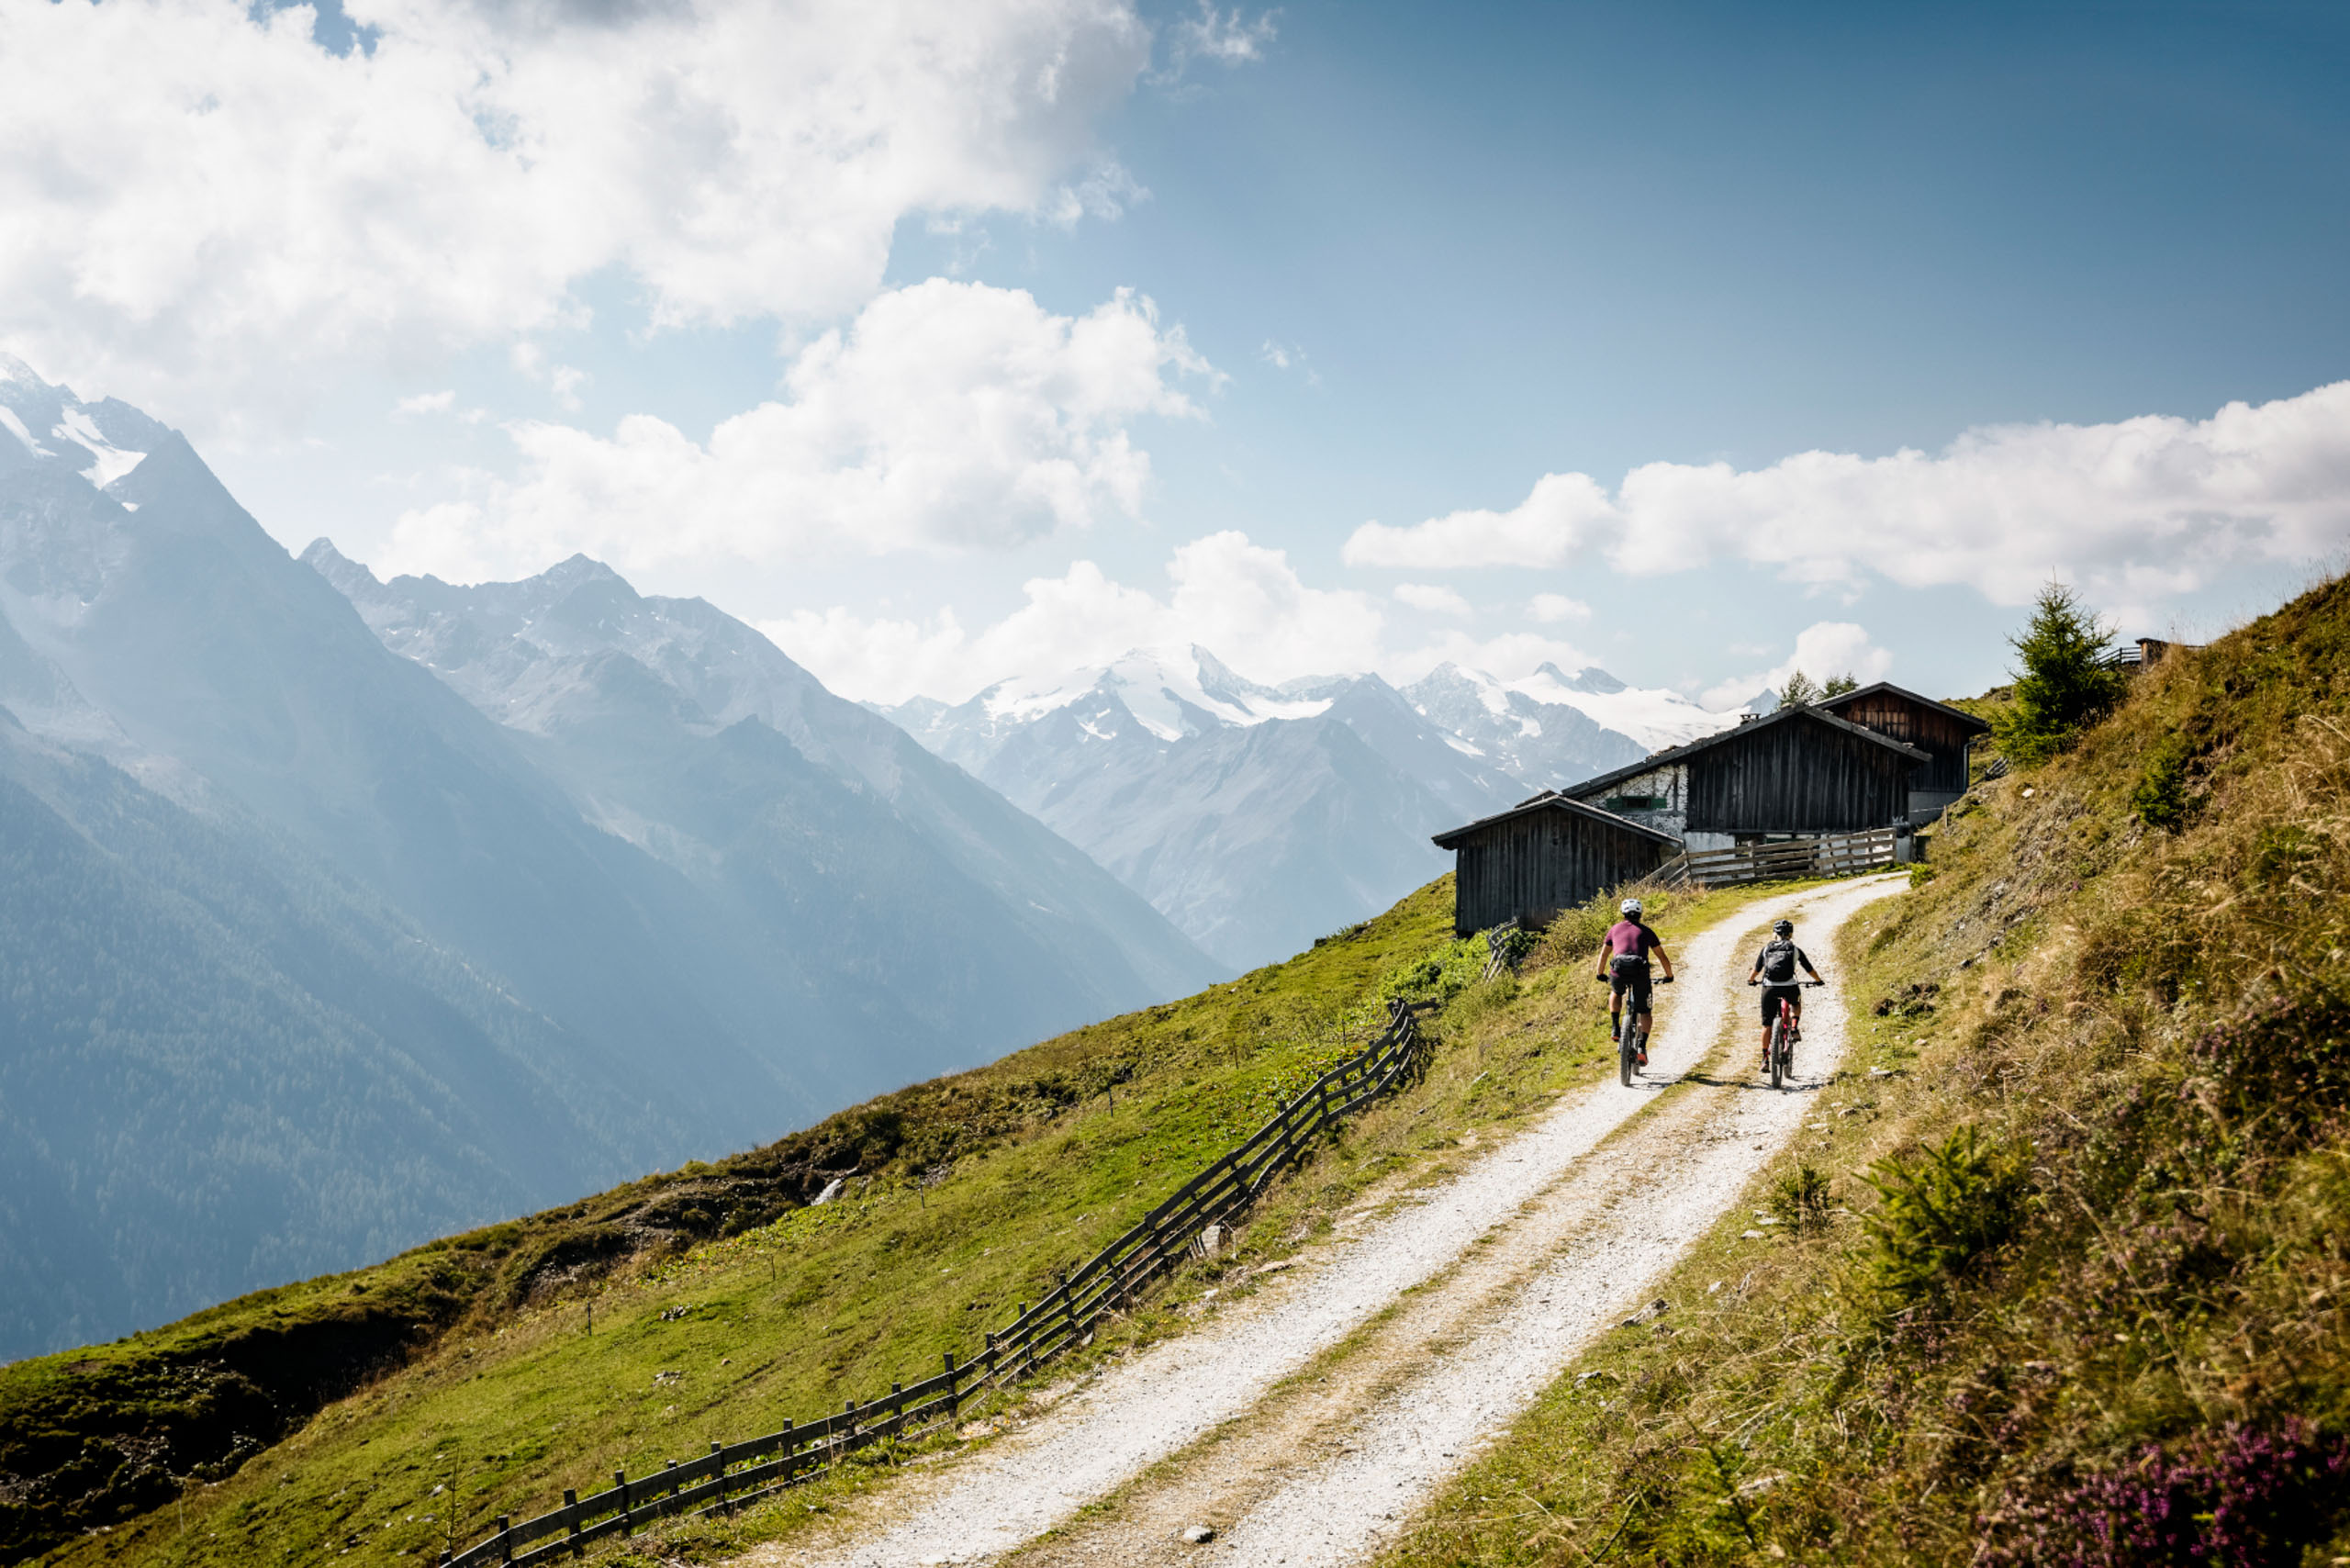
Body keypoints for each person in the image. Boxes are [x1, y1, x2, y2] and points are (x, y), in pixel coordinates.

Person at [1595, 897, 1674, 1066]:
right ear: (1640, 914)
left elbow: (1604, 954)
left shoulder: (1614, 929)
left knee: (1616, 992)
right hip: (1640, 973)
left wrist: (1600, 973)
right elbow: (1661, 956)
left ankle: (1615, 1026)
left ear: (1623, 913)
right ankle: (1641, 1046)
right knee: (1645, 1012)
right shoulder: (1647, 931)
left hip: (1619, 970)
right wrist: (1669, 976)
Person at [1747, 918, 1823, 1068]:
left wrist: (1751, 980)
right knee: (1795, 1003)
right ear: (1791, 934)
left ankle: (1765, 1059)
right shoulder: (1795, 949)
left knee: (1767, 1025)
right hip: (1789, 986)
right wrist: (1818, 980)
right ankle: (1794, 1026)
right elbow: (1809, 969)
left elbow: (1756, 970)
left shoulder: (1766, 949)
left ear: (1774, 933)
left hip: (1769, 988)